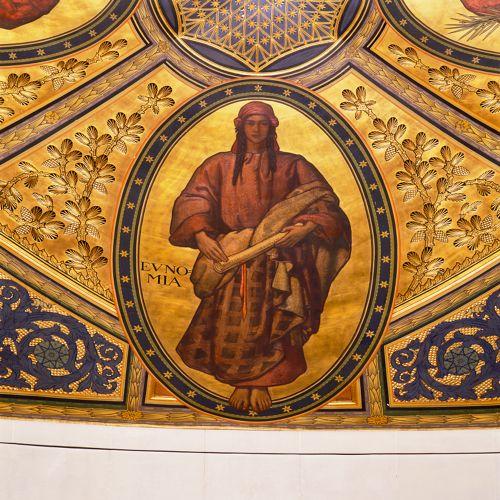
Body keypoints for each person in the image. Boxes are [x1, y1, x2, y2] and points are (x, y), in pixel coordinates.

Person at [169, 101, 351, 413]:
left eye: (263, 123)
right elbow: (193, 199)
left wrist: (305, 229)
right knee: (233, 321)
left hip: (282, 257)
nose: (256, 129)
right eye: (251, 123)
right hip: (235, 253)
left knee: (274, 321)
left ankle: (263, 381)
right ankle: (242, 381)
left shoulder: (294, 165)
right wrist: (201, 236)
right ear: (240, 127)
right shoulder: (219, 164)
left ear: (272, 127)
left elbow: (326, 204)